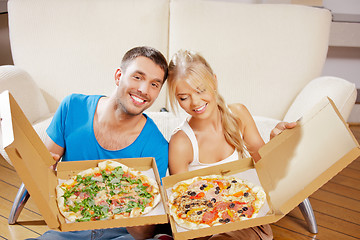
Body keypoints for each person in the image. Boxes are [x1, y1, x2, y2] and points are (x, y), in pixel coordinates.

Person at [28, 46, 170, 240]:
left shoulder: (157, 146)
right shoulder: (72, 107)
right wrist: (44, 170)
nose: (144, 90)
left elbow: (143, 233)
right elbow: (42, 180)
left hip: (121, 235)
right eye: (137, 77)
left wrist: (127, 199)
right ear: (119, 76)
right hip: (72, 228)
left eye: (154, 84)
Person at [166, 49, 296, 240]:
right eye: (183, 97)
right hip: (202, 229)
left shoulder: (238, 115)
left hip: (247, 220)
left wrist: (276, 142)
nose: (195, 102)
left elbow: (265, 168)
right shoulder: (180, 143)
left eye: (200, 90)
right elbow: (184, 208)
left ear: (215, 82)